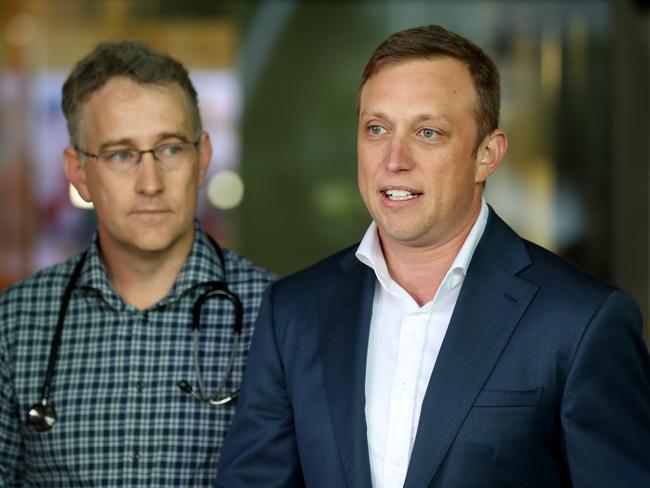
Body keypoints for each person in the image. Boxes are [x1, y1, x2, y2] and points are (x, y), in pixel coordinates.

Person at [216, 25, 650, 487]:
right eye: (377, 128)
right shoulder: (294, 312)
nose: (394, 158)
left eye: (428, 132)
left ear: (486, 155)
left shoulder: (582, 321)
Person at [0, 40, 274, 486]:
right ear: (79, 173)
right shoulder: (15, 323)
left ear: (201, 158)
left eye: (169, 149)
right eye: (121, 155)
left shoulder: (278, 316)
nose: (150, 183)